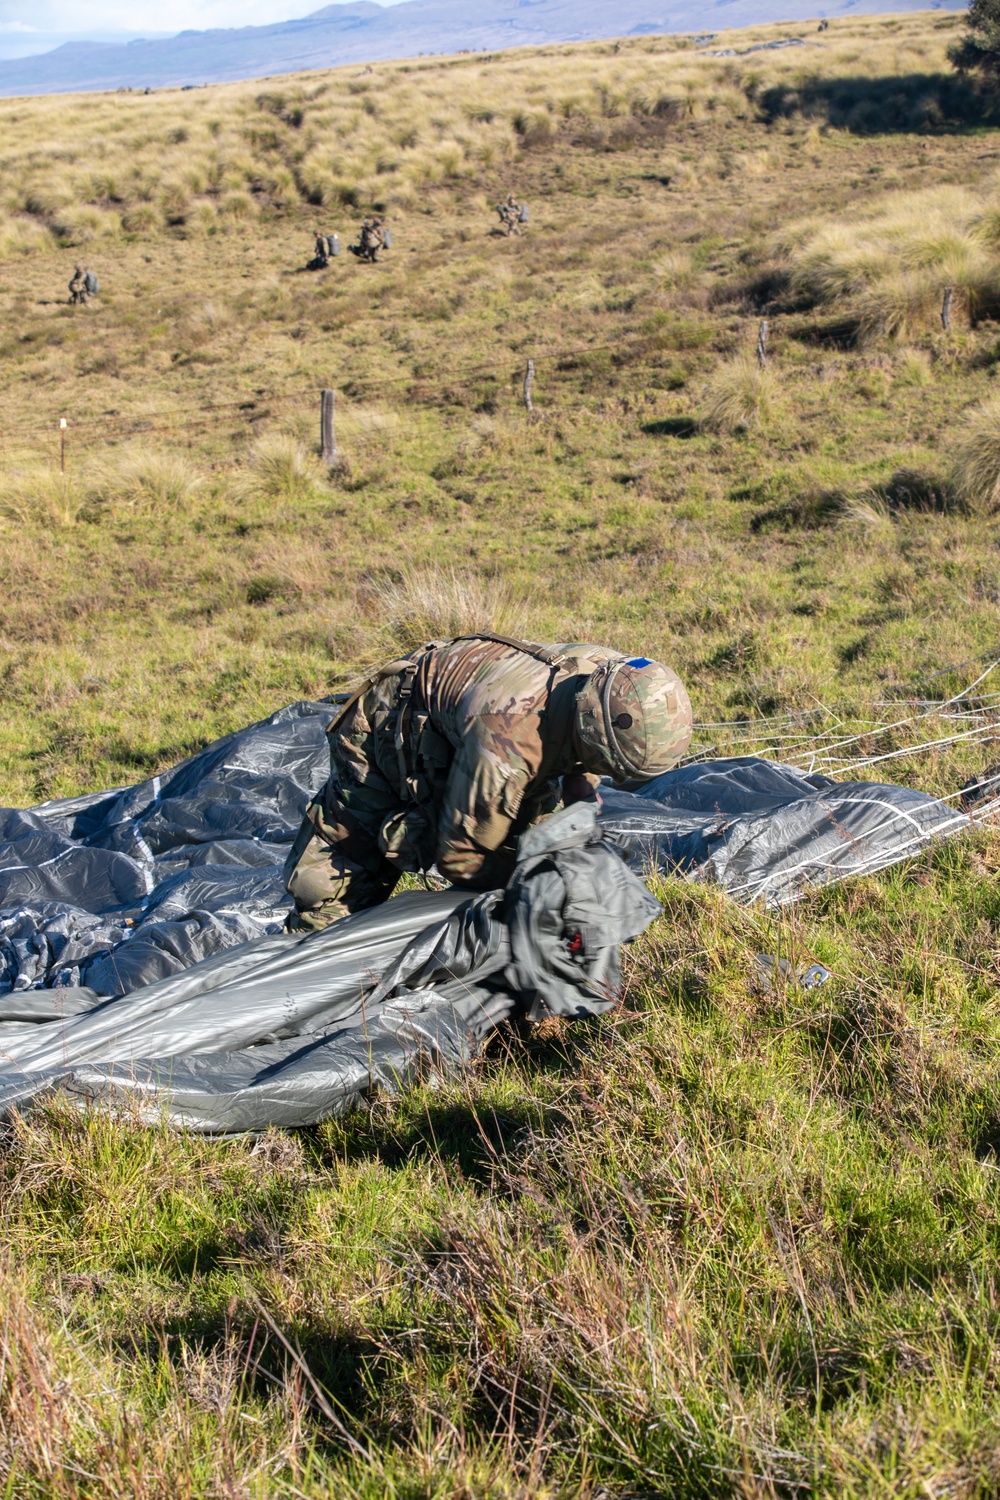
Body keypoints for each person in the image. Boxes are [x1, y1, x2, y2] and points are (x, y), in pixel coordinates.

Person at [284, 633, 693, 930]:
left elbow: (579, 755)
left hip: (476, 725)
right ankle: (297, 973)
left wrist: (579, 795)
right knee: (339, 879)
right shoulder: (510, 742)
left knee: (533, 847)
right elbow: (459, 857)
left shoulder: (616, 680)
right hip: (388, 725)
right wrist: (538, 897)